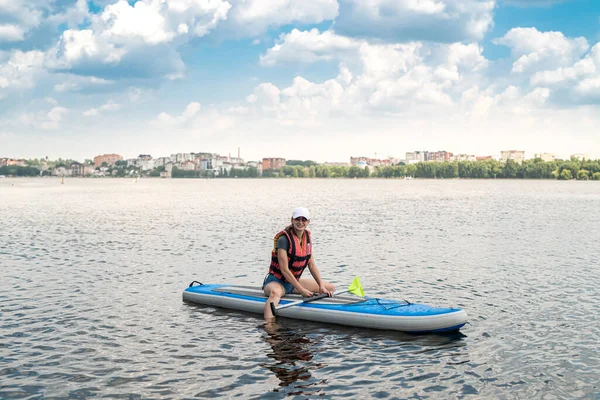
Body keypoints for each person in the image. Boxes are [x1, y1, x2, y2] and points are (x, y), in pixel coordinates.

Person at [263, 207, 335, 321]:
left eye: (304, 219)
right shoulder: (284, 240)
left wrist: (321, 285)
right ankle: (269, 326)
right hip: (277, 282)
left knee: (330, 287)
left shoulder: (307, 239)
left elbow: (312, 265)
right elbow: (284, 270)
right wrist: (301, 290)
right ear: (292, 220)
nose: (300, 222)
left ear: (308, 222)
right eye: (298, 219)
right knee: (275, 293)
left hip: (293, 283)